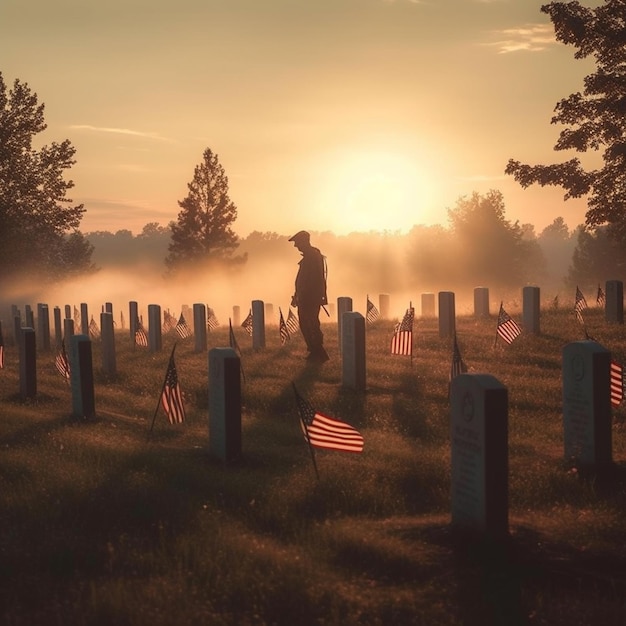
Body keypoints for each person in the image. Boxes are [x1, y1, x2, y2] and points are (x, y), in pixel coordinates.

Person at [289, 230, 329, 363]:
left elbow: (312, 280)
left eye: (297, 242)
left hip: (310, 299)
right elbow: (303, 281)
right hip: (305, 298)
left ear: (304, 241)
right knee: (305, 324)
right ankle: (314, 351)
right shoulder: (310, 257)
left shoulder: (313, 257)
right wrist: (297, 296)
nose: (295, 246)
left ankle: (319, 352)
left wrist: (303, 295)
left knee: (311, 324)